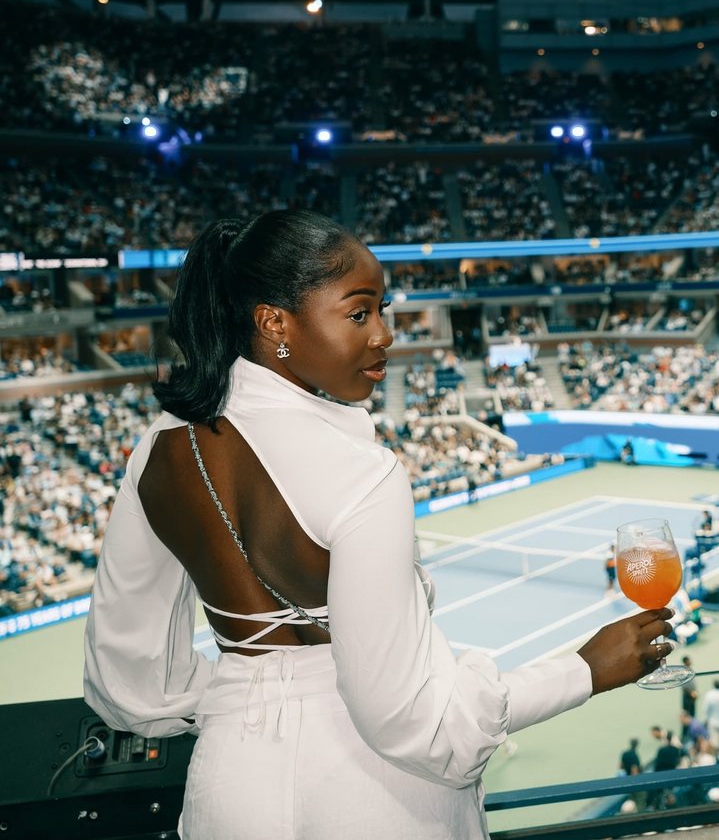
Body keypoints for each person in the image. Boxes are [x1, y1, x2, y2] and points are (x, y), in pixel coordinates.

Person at [83, 211, 675, 840]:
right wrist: (584, 670)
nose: (385, 335)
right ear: (274, 322)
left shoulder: (159, 449)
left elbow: (127, 684)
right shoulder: (363, 473)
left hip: (228, 791)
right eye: (359, 313)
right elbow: (416, 724)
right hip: (370, 800)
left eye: (383, 311)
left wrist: (249, 691)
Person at [700, 679, 719, 749]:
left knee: (714, 744)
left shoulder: (709, 695)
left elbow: (705, 710)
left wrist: (705, 721)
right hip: (713, 722)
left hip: (713, 723)